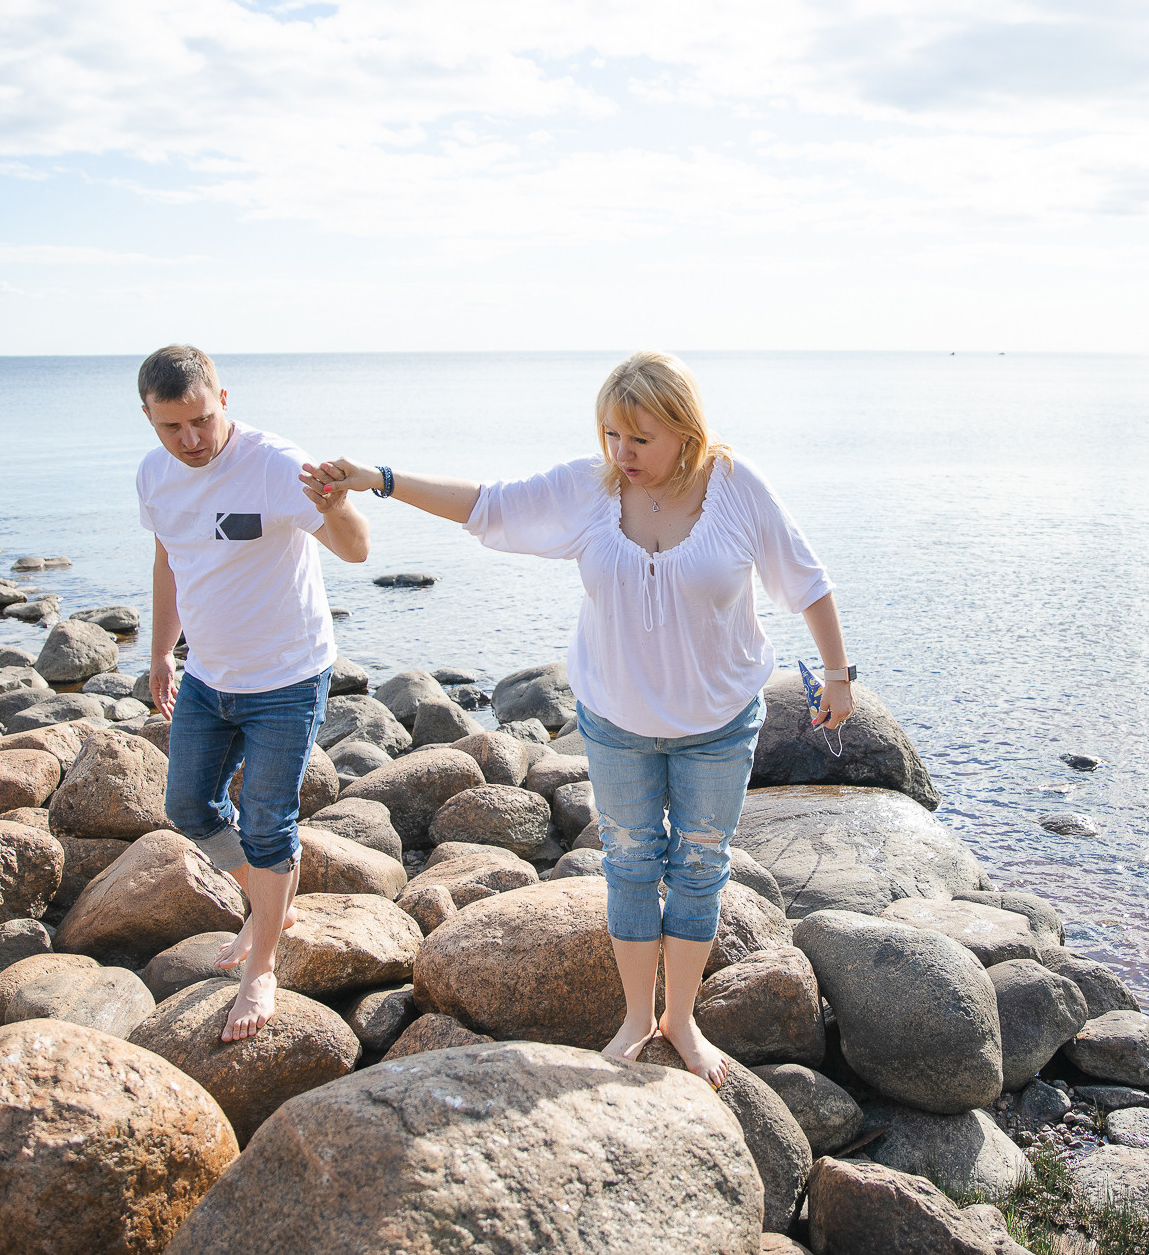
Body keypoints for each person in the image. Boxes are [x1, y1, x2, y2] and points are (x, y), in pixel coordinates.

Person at [303, 350, 853, 1085]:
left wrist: (839, 674)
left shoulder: (736, 486)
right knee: (629, 864)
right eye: (611, 436)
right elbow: (486, 504)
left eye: (641, 438)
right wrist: (382, 480)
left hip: (719, 720)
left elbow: (807, 579)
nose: (623, 454)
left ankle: (681, 1020)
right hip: (617, 719)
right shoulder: (591, 489)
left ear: (685, 431)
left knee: (698, 867)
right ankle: (635, 1017)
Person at [136, 344, 370, 1040]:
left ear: (223, 400)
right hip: (209, 674)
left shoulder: (272, 464)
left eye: (202, 420)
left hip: (287, 676)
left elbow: (355, 550)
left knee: (267, 822)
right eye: (171, 427)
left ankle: (260, 963)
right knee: (187, 803)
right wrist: (159, 652)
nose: (191, 440)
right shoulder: (155, 475)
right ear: (149, 419)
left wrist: (339, 502)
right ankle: (271, 900)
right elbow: (168, 561)